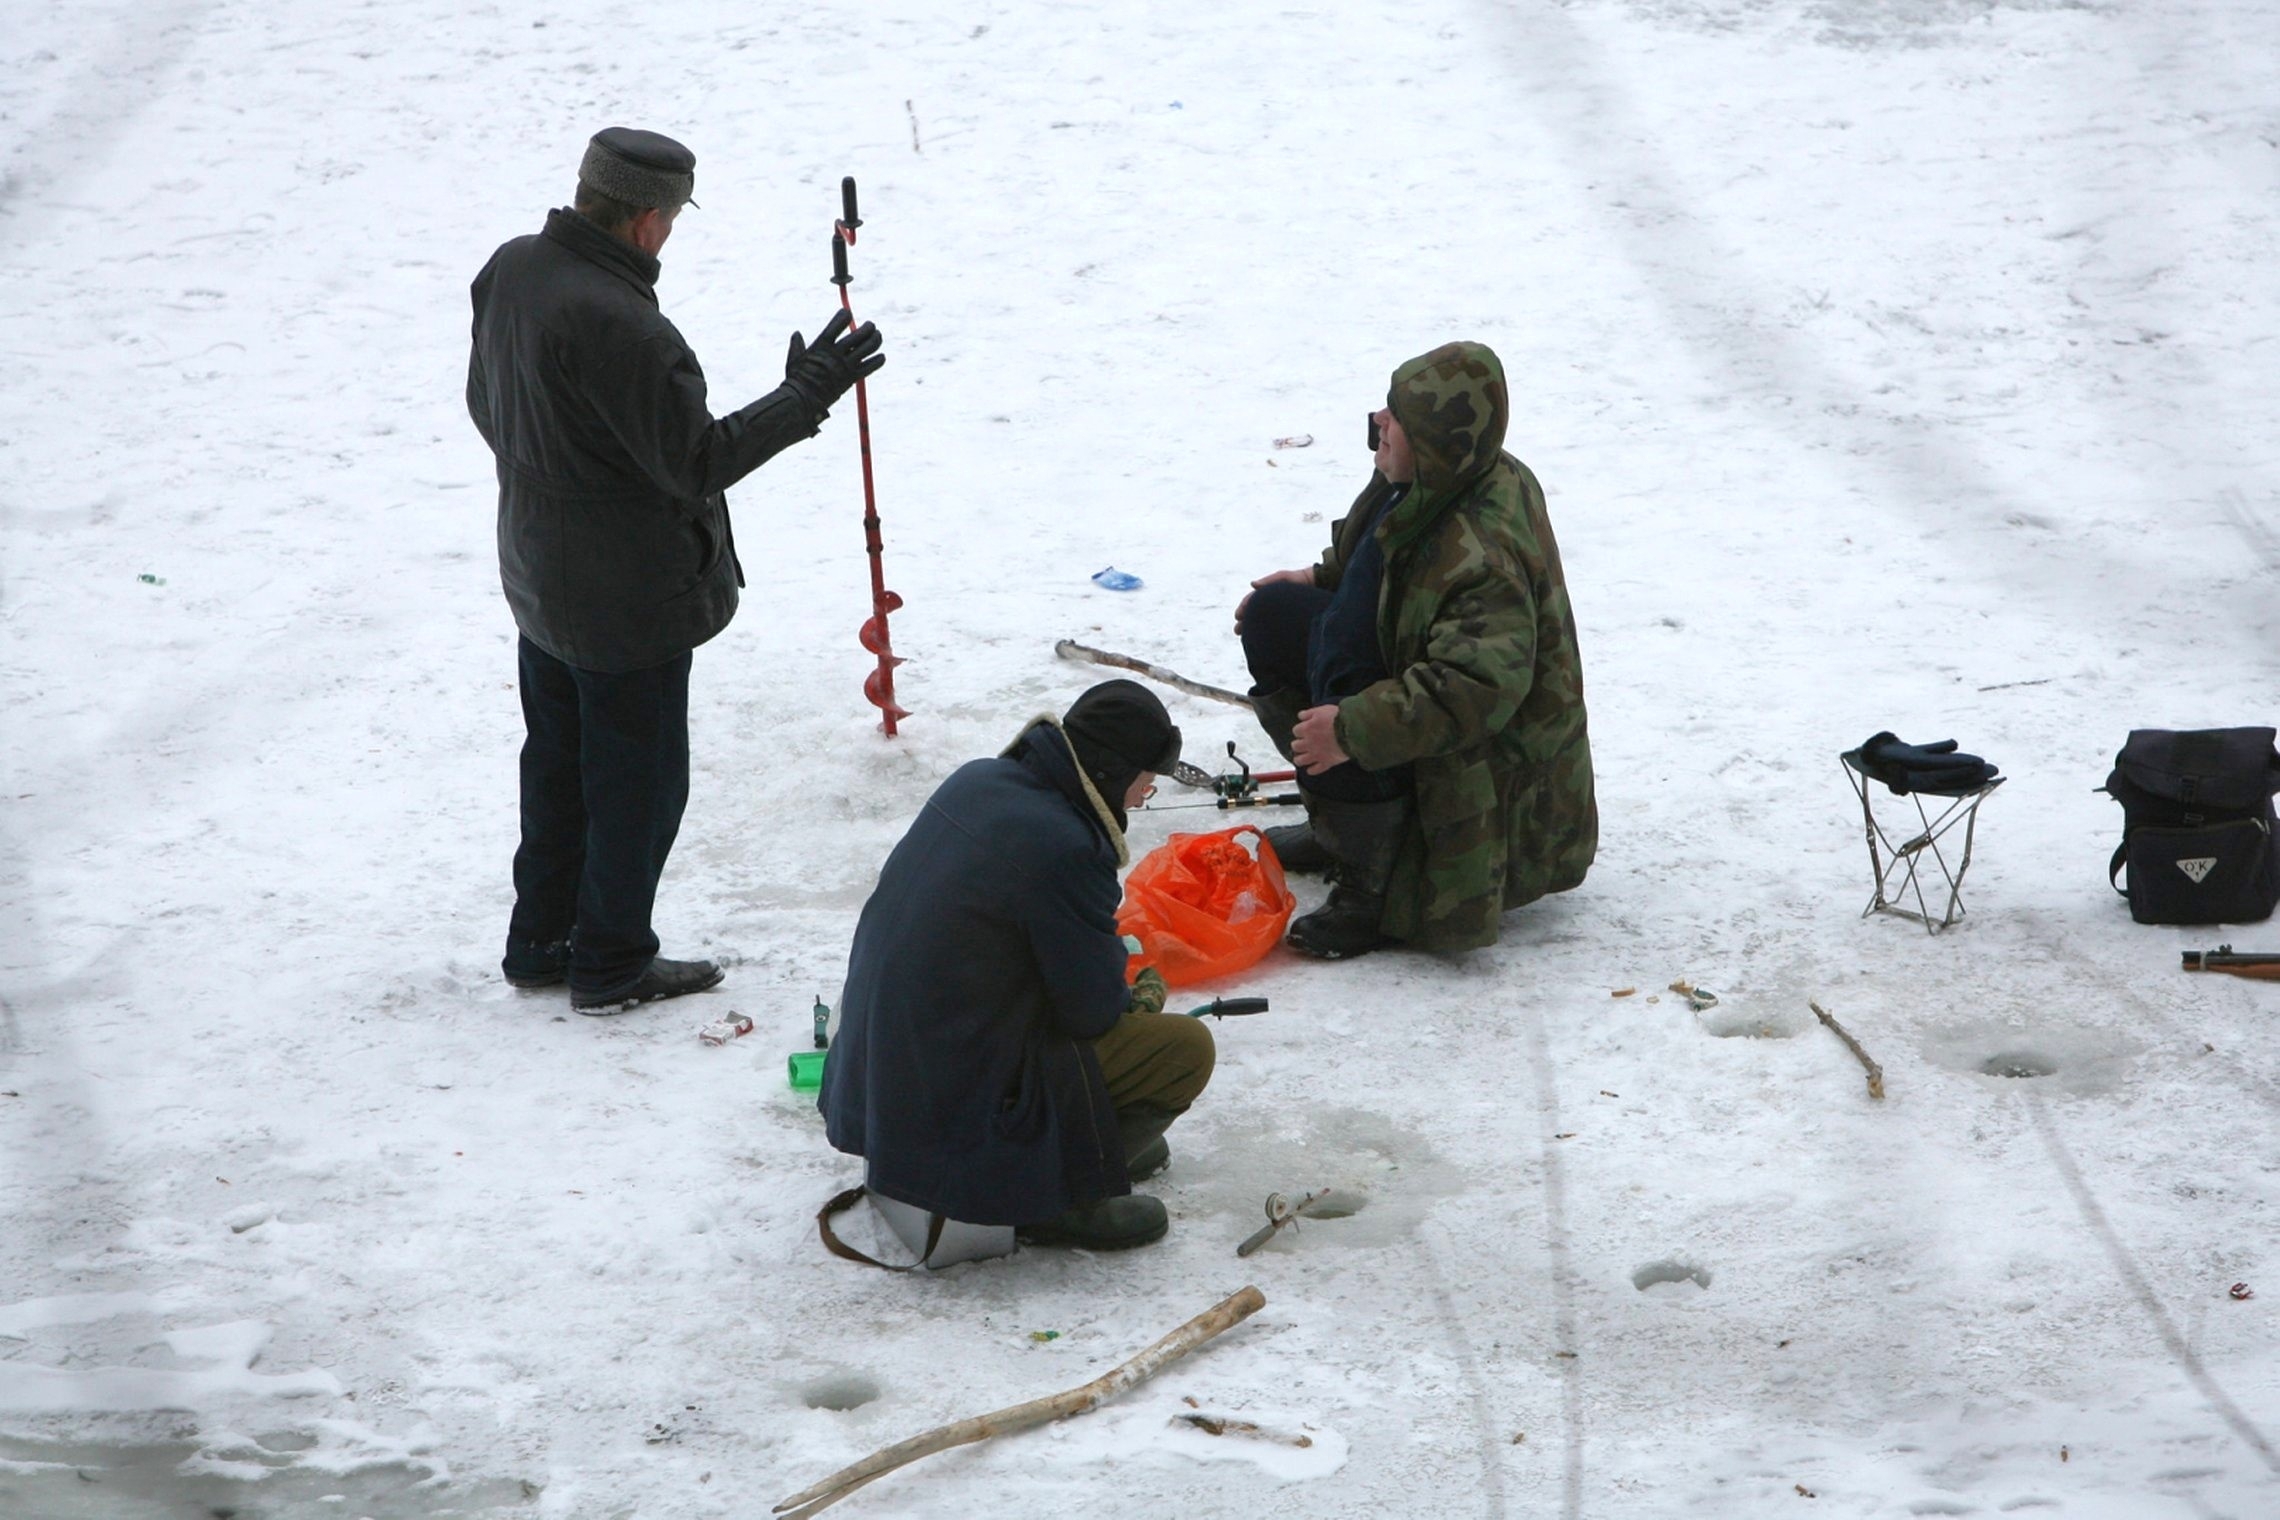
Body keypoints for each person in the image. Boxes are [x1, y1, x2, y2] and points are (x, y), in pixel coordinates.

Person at [466, 127, 883, 1012]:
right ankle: (611, 960)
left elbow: (485, 404)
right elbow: (695, 462)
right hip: (624, 603)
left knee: (558, 766)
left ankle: (541, 940)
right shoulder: (620, 322)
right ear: (650, 221)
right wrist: (806, 393)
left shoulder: (511, 270)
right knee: (636, 786)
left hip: (538, 575)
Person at [820, 681, 1215, 1252]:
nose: (1143, 795)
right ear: (1109, 771)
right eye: (1144, 781)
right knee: (1183, 1049)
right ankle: (1052, 1197)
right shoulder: (1069, 847)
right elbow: (1090, 1012)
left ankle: (1090, 1140)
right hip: (948, 1098)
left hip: (880, 1076)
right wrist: (1137, 996)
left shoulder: (980, 779)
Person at [1233, 340, 1597, 959]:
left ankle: (1371, 889)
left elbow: (1473, 691)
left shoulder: (1484, 556)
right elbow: (1383, 555)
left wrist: (1350, 728)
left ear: (1433, 446)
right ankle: (1342, 831)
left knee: (1348, 683)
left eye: (1396, 417)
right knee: (1276, 618)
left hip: (1483, 770)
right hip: (1419, 684)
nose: (1379, 421)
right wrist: (1319, 580)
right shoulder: (1428, 480)